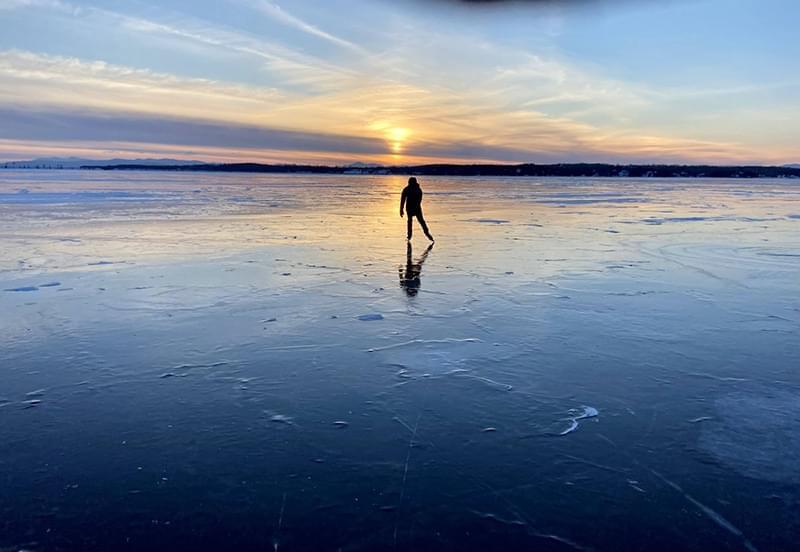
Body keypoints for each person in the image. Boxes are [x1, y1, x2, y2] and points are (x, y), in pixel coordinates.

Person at [400, 177, 434, 242]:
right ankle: (409, 236)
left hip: (416, 208)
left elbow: (419, 200)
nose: (410, 183)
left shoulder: (418, 189)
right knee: (410, 221)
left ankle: (427, 234)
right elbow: (403, 200)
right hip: (409, 208)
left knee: (421, 221)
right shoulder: (407, 189)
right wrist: (401, 210)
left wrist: (415, 206)